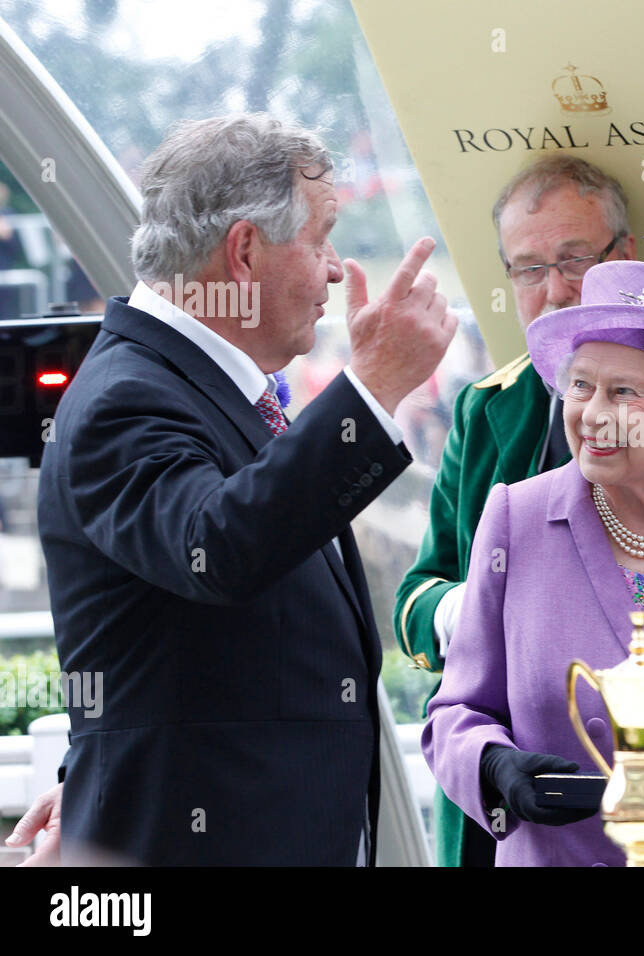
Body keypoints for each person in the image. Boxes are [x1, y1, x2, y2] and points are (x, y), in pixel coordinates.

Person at [6, 114, 456, 865]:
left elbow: (162, 648)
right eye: (320, 239)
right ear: (246, 251)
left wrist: (102, 767)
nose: (337, 270)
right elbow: (219, 548)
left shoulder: (194, 385)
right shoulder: (130, 395)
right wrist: (373, 388)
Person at [395, 155, 644, 865]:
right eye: (527, 269)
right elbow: (418, 598)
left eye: (573, 259)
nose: (553, 289)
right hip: (532, 821)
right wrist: (485, 610)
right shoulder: (486, 408)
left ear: (626, 254)